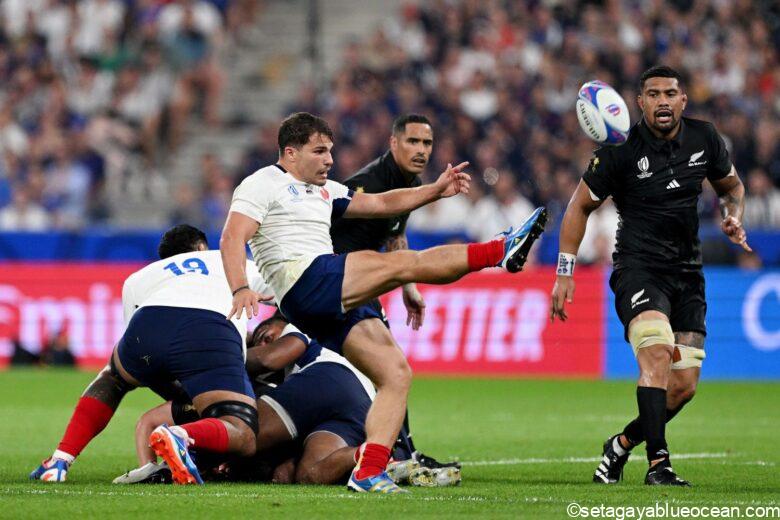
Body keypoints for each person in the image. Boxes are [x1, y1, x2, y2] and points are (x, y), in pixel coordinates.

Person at [220, 112, 547, 493]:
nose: (329, 160)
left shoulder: (325, 190)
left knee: (395, 374)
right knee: (404, 263)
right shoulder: (262, 183)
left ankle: (369, 471)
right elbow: (232, 236)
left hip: (320, 301)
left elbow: (381, 204)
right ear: (290, 153)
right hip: (305, 278)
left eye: (330, 151)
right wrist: (239, 287)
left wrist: (435, 190)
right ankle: (499, 251)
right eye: (319, 151)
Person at [550, 66, 750, 486]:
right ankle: (659, 465)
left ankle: (620, 444)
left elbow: (732, 187)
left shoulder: (704, 137)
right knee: (657, 352)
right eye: (654, 94)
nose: (663, 101)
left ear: (683, 100)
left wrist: (733, 216)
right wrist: (565, 271)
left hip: (688, 274)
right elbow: (578, 207)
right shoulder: (618, 150)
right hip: (638, 270)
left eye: (670, 93)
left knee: (682, 388)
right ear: (639, 102)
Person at [30, 225, 271, 484]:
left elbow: (146, 356)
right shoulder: (226, 261)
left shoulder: (141, 276)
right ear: (202, 247)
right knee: (243, 431)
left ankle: (59, 461)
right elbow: (283, 293)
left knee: (113, 378)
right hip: (210, 331)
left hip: (148, 326)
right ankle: (181, 435)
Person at [329, 113, 460, 477]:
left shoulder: (408, 183)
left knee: (392, 370)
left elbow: (394, 233)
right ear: (393, 143)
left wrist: (409, 287)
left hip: (360, 283)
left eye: (427, 143)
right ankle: (396, 456)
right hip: (338, 286)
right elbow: (323, 227)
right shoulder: (367, 184)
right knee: (392, 371)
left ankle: (400, 453)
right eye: (413, 141)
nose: (421, 150)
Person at [116, 314, 377, 487]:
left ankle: (176, 453)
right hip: (362, 404)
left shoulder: (298, 325)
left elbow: (268, 359)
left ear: (280, 322)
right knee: (310, 474)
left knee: (245, 434)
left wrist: (218, 361)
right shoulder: (281, 382)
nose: (263, 341)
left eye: (266, 333)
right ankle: (374, 455)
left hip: (330, 376)